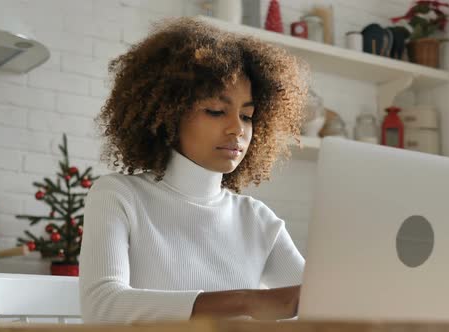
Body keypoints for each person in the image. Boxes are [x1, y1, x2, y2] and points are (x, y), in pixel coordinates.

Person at [79, 17, 309, 324]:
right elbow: (102, 307)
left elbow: (319, 303)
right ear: (169, 114)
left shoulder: (257, 220)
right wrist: (246, 301)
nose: (236, 129)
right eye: (215, 111)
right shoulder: (119, 196)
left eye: (247, 115)